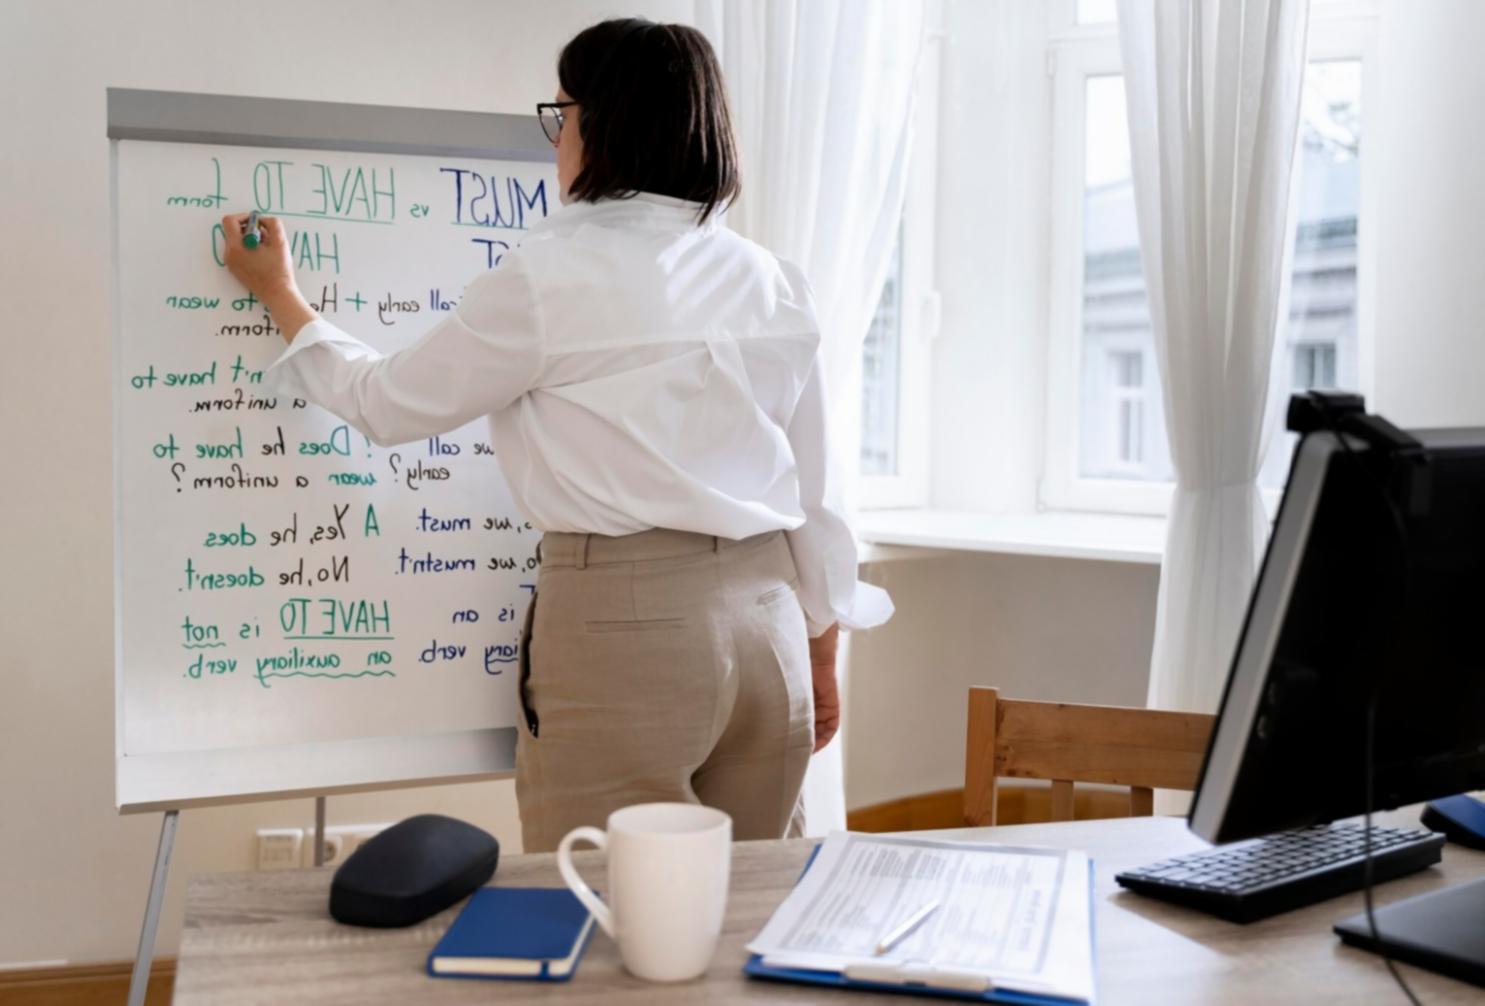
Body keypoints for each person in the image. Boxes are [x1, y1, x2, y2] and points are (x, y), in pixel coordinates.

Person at [220, 17, 892, 852]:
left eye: (562, 114)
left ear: (603, 123)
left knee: (595, 907)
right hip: (771, 622)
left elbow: (387, 404)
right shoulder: (770, 277)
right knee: (747, 908)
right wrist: (820, 654)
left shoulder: (549, 277)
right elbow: (814, 490)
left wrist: (280, 296)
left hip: (628, 624)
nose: (556, 137)